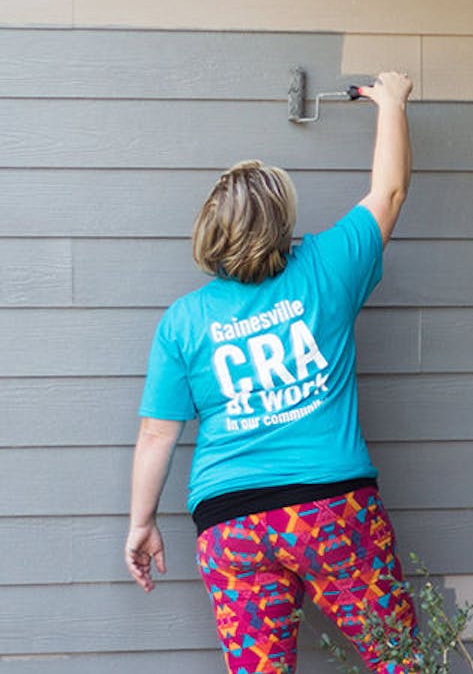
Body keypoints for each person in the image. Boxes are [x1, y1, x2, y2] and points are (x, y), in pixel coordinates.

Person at [126, 71, 417, 674]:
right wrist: (391, 102)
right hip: (331, 509)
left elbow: (158, 433)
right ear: (281, 219)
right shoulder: (327, 266)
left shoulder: (184, 321)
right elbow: (388, 193)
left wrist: (142, 523)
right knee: (399, 661)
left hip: (229, 523)